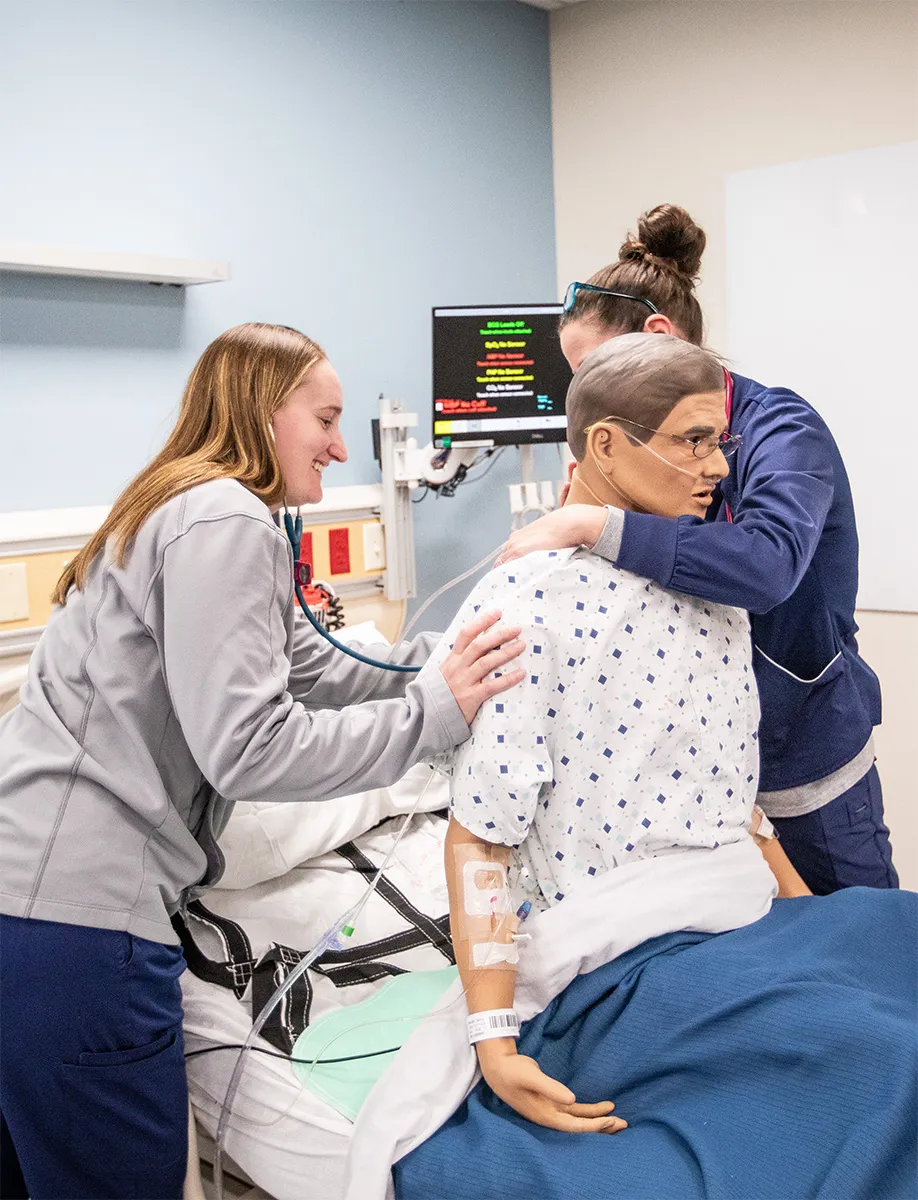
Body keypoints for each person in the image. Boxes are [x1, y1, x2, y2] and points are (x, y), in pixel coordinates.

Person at [0, 322, 525, 1199]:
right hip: (79, 929)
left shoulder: (183, 506)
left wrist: (446, 663)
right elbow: (248, 748)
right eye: (326, 419)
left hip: (28, 911)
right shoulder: (227, 518)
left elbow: (315, 666)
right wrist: (429, 720)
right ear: (263, 409)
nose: (340, 447)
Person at [429, 333, 810, 1133]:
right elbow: (483, 839)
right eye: (694, 441)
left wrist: (809, 919)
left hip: (742, 919)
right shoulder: (529, 601)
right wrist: (494, 1040)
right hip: (622, 960)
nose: (718, 467)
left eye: (721, 441)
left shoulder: (712, 588)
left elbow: (731, 793)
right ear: (605, 445)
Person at [499, 204, 894, 897]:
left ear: (657, 337)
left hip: (802, 760)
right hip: (699, 788)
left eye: (594, 370)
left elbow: (767, 562)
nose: (584, 400)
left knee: (855, 937)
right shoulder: (630, 461)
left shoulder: (782, 429)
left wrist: (596, 525)